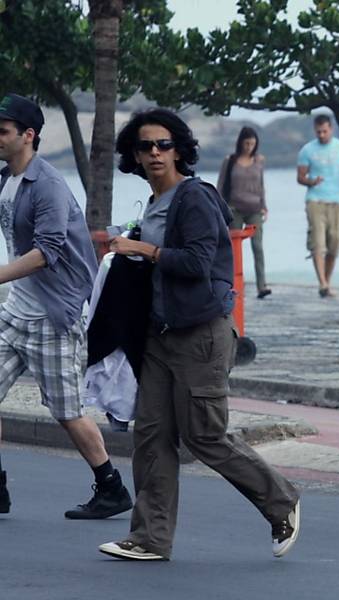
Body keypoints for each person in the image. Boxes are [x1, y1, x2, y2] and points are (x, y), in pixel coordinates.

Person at [99, 108, 300, 561]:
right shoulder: (153, 203)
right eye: (145, 146)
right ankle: (150, 538)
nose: (154, 153)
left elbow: (196, 261)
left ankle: (282, 500)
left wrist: (142, 249)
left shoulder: (195, 198)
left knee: (205, 436)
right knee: (150, 436)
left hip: (200, 334)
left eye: (163, 144)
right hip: (159, 333)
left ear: (179, 150)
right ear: (134, 154)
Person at [0, 93, 132, 519]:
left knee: (67, 411)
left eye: (3, 132)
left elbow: (47, 251)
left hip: (54, 317)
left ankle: (110, 487)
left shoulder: (49, 186)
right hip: (16, 313)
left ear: (28, 135)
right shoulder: (6, 179)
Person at [296, 114, 339, 298]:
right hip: (315, 200)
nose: (321, 135)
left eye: (325, 131)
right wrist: (311, 182)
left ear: (331, 129)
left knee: (335, 242)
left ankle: (326, 283)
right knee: (318, 243)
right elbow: (300, 177)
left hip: (336, 201)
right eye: (318, 132)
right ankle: (322, 283)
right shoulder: (307, 150)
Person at [218, 126, 271, 299]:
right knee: (233, 250)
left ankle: (261, 285)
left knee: (258, 247)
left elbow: (261, 185)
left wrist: (264, 205)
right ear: (240, 143)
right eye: (246, 143)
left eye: (252, 144)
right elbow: (221, 185)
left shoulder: (260, 160)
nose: (249, 147)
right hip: (235, 209)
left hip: (255, 209)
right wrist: (220, 208)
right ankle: (231, 285)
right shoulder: (230, 160)